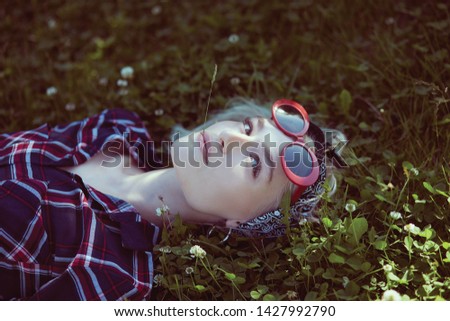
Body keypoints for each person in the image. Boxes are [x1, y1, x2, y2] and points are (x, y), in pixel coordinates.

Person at [0, 98, 345, 300]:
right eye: (248, 127)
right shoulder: (116, 128)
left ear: (242, 223)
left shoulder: (112, 276)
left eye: (254, 164)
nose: (229, 138)